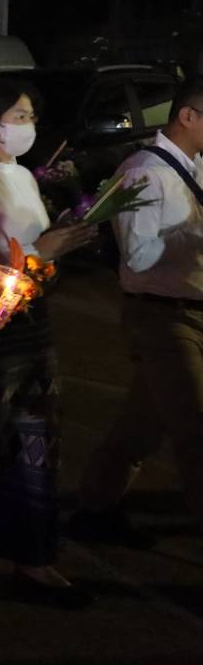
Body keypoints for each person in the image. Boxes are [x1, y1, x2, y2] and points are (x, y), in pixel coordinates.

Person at [0, 78, 98, 607]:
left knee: (38, 436)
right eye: (21, 115)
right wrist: (37, 248)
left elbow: (32, 249)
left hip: (32, 314)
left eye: (31, 116)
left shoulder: (21, 176)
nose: (29, 125)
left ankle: (33, 556)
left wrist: (59, 245)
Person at [73, 78, 203, 544]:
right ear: (188, 116)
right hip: (162, 317)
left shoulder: (195, 166)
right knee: (194, 427)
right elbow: (139, 257)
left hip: (191, 308)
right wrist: (187, 235)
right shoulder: (144, 172)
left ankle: (93, 505)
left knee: (145, 423)